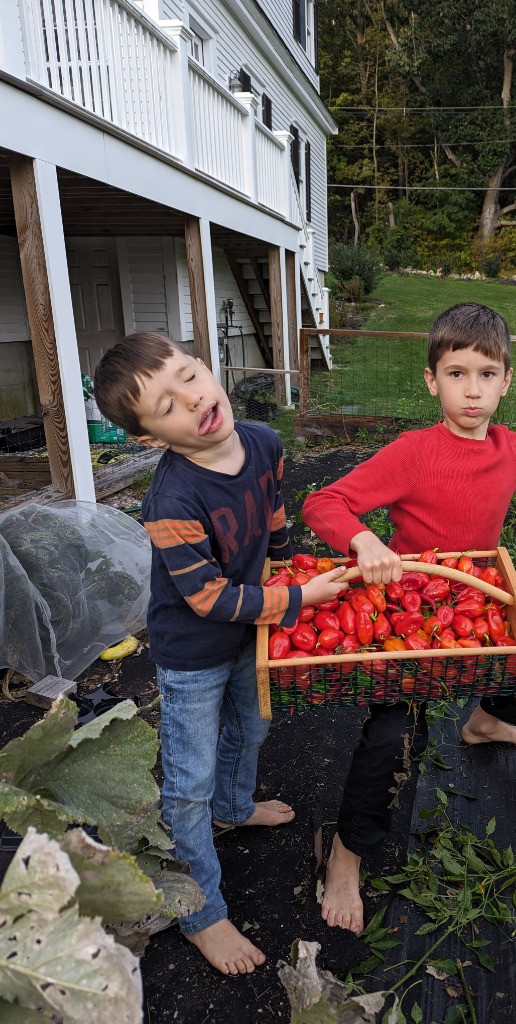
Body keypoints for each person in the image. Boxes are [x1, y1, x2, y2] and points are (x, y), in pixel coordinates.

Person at [302, 302, 516, 936]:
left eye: (487, 374)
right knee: (389, 733)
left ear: (508, 381)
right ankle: (347, 856)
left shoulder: (510, 451)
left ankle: (484, 723)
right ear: (432, 381)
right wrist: (363, 541)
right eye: (457, 374)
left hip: (477, 596)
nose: (473, 390)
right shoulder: (412, 453)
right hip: (410, 607)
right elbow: (324, 500)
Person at [93, 333, 349, 975]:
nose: (194, 399)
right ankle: (200, 913)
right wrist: (298, 598)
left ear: (205, 366)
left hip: (252, 630)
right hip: (194, 653)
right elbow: (206, 598)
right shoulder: (172, 501)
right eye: (168, 405)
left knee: (255, 724)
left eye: (188, 375)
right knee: (188, 781)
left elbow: (276, 516)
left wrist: (294, 569)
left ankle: (234, 810)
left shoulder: (263, 440)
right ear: (153, 438)